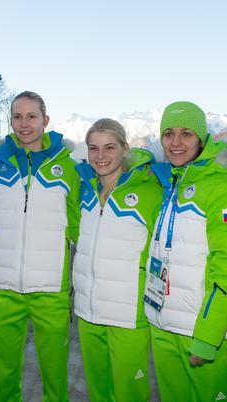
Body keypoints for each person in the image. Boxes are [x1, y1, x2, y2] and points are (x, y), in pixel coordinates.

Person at [144, 101, 227, 402]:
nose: (175, 143)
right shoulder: (172, 183)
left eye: (186, 134)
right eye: (168, 134)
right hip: (163, 323)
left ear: (202, 139)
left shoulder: (224, 189)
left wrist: (208, 337)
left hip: (201, 332)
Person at [0, 91, 80, 401]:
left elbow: (79, 225)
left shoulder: (67, 166)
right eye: (17, 116)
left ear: (45, 120)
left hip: (50, 289)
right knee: (5, 373)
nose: (24, 124)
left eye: (31, 116)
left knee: (54, 374)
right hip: (3, 288)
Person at [73, 118, 162, 401]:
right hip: (88, 312)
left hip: (129, 314)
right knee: (98, 391)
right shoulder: (84, 190)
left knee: (130, 393)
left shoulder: (150, 191)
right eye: (93, 148)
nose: (100, 157)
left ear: (125, 149)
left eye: (109, 148)